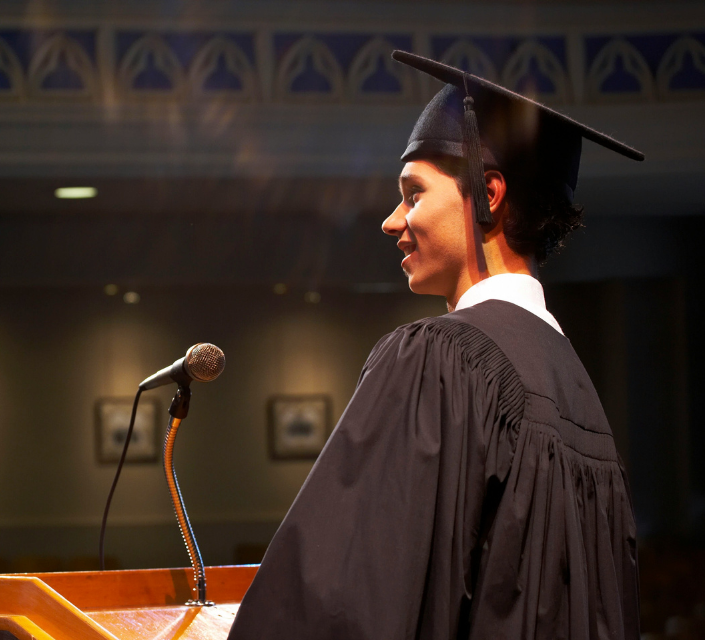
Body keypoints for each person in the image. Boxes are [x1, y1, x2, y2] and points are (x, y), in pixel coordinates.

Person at [226, 51, 643, 640]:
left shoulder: (440, 360)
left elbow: (340, 604)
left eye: (414, 194)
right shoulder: (582, 396)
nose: (391, 221)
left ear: (488, 193)